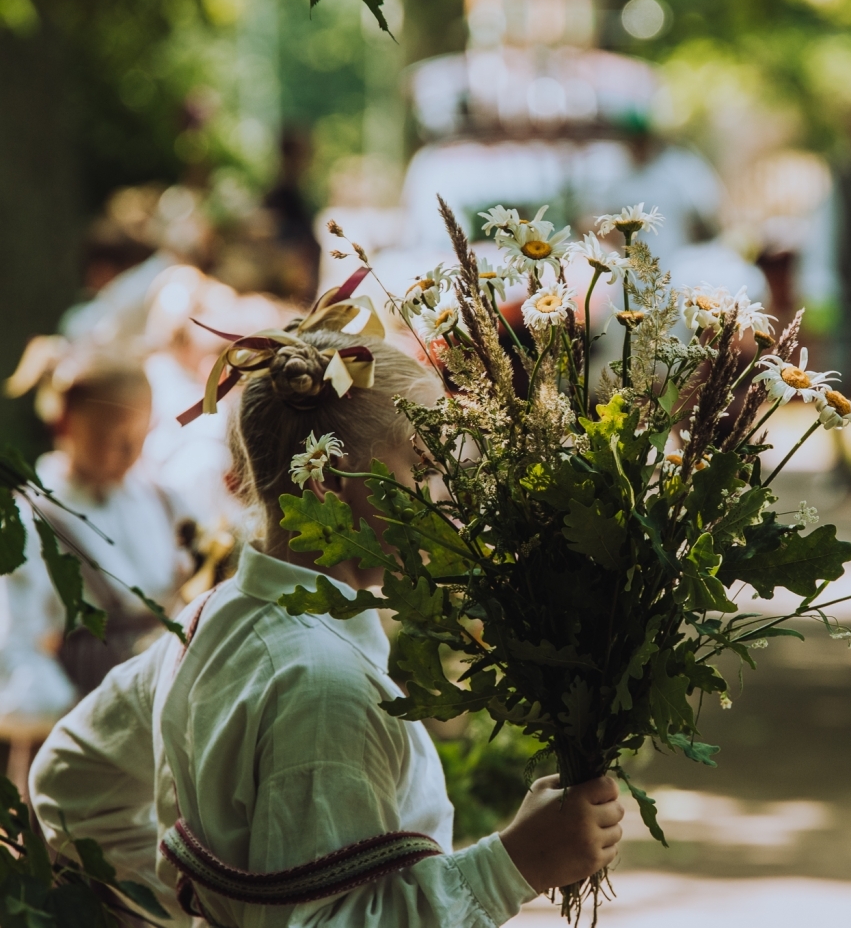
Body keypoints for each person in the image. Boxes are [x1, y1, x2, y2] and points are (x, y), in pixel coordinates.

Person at [30, 324, 623, 926]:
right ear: (331, 481)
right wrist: (514, 865)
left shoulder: (208, 620)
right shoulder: (324, 686)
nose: (445, 495)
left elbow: (68, 778)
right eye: (424, 464)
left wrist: (178, 907)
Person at [3, 343, 195, 700]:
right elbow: (16, 653)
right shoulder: (32, 523)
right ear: (64, 423)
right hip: (84, 719)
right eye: (114, 437)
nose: (131, 452)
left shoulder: (166, 502)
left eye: (141, 436)